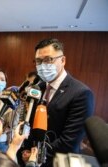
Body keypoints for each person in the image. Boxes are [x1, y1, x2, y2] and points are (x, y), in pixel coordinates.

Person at [23, 38, 95, 166]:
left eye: (49, 59)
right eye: (38, 61)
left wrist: (37, 155)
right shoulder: (38, 88)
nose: (42, 65)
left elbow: (69, 141)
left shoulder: (81, 93)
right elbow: (30, 123)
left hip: (60, 161)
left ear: (63, 60)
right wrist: (26, 150)